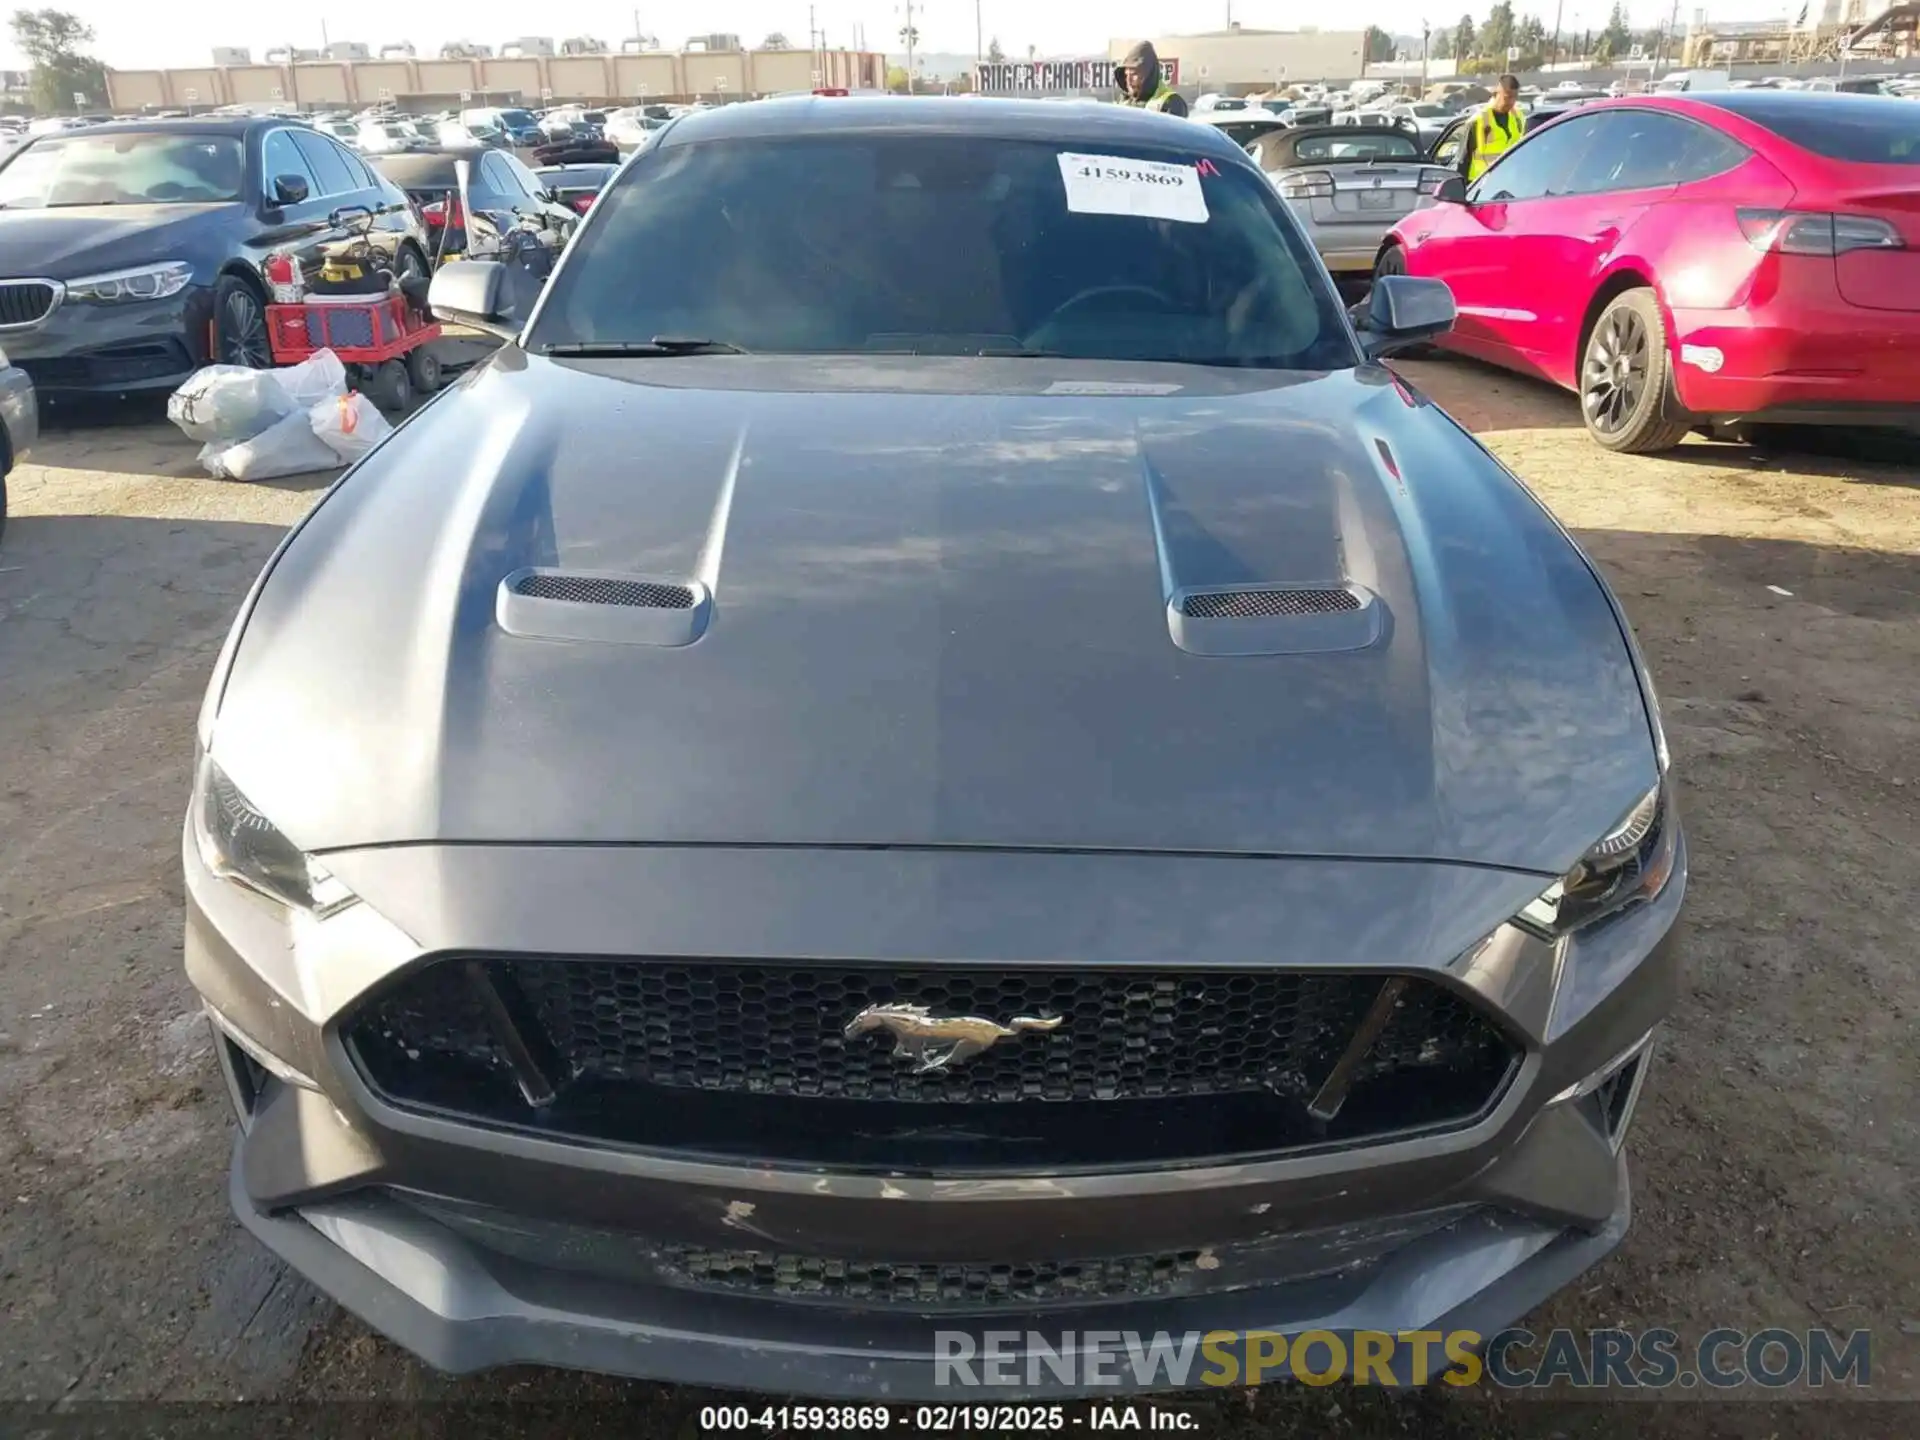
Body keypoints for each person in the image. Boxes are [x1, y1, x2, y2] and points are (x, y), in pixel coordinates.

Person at [1456, 74, 1526, 182]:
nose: (1512, 102)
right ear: (1496, 93)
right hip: (1481, 186)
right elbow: (1462, 162)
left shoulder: (1518, 117)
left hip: (1509, 184)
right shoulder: (1477, 121)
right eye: (1507, 97)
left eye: (1515, 97)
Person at [1114, 41, 1188, 117]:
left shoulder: (1171, 103)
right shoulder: (1122, 102)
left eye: (1133, 74)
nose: (1128, 80)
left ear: (1149, 74)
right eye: (1126, 75)